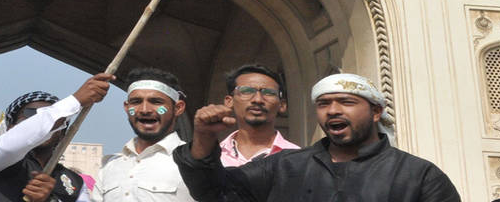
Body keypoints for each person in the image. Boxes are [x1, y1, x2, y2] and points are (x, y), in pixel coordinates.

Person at [175, 72, 460, 201]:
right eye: (324, 104)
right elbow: (212, 192)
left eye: (346, 102)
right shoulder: (283, 167)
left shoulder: (417, 175)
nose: (333, 111)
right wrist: (203, 139)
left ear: (375, 112)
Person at [0, 74, 113, 202]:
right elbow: (15, 142)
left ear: (62, 133)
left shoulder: (74, 183)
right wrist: (75, 101)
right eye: (30, 115)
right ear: (11, 128)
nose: (43, 123)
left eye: (47, 116)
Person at [92, 67, 196, 202]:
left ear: (178, 108)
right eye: (136, 102)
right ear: (126, 107)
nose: (144, 110)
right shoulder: (110, 166)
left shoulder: (193, 163)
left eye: (156, 102)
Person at [216, 65, 298, 167]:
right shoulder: (214, 157)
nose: (258, 100)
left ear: (282, 105)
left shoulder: (298, 159)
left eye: (269, 93)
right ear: (229, 101)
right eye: (246, 91)